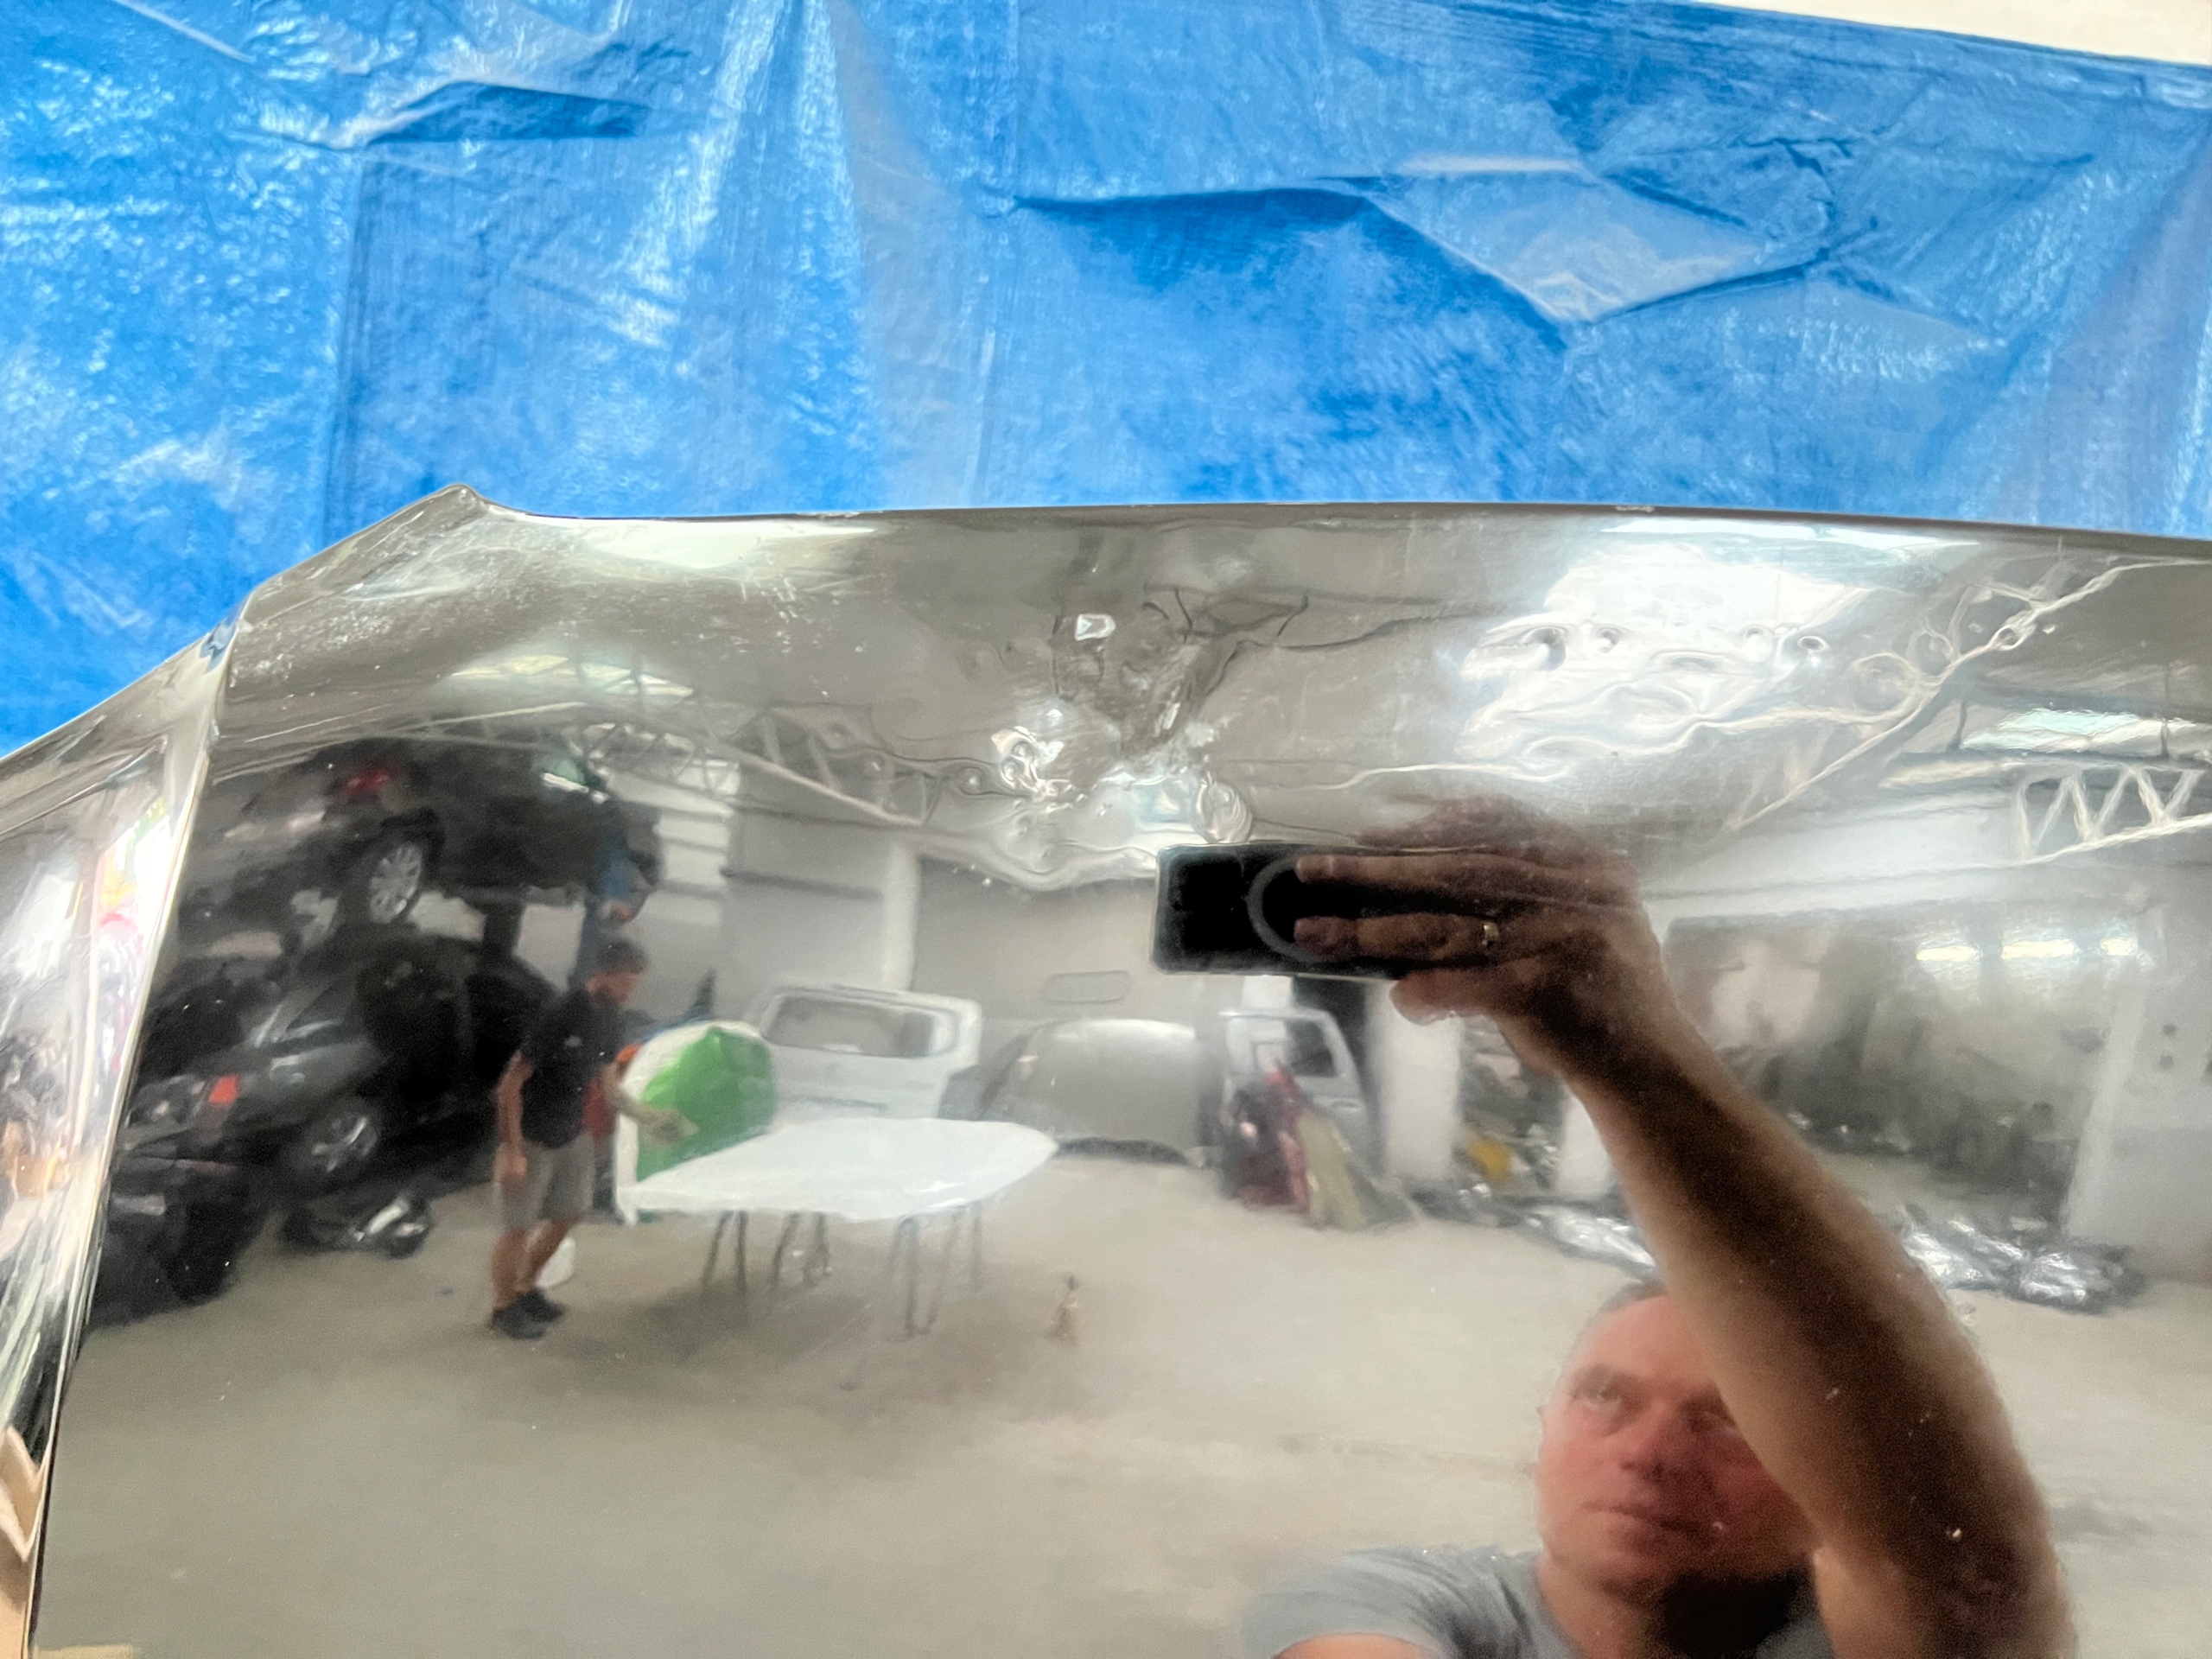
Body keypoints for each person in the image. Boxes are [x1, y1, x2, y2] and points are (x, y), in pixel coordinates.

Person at [1245, 803, 2068, 1659]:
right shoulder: (1385, 1604)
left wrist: (1635, 1050)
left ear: (1826, 1484)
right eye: (1604, 1397)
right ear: (1544, 1426)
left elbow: (1971, 1585)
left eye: (1731, 1423)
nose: (1648, 1455)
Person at [487, 936, 684, 1340]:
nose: (631, 991)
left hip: (572, 1131)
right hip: (532, 1136)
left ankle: (527, 1287)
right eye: (628, 982)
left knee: (570, 1213)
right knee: (518, 1227)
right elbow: (509, 1085)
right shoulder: (563, 1013)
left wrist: (650, 1118)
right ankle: (504, 1307)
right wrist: (512, 1150)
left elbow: (609, 1088)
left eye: (636, 983)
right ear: (606, 974)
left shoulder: (611, 1019)